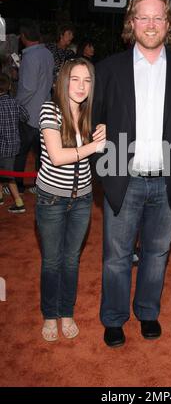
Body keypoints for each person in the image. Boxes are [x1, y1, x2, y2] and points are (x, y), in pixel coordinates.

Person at [92, 0, 171, 348]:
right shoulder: (108, 69)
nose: (150, 24)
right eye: (143, 17)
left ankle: (148, 312)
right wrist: (106, 171)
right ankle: (113, 317)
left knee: (157, 254)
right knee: (116, 256)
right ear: (131, 22)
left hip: (168, 179)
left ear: (168, 24)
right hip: (125, 178)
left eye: (158, 17)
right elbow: (95, 122)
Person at [36, 58, 105, 342]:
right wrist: (93, 145)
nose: (80, 86)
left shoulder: (91, 115)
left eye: (86, 80)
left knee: (72, 260)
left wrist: (105, 132)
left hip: (83, 200)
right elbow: (57, 157)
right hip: (51, 199)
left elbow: (101, 153)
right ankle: (50, 315)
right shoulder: (50, 111)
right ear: (63, 82)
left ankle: (67, 312)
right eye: (74, 79)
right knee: (52, 261)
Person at [14, 19, 54, 195]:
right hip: (45, 111)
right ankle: (41, 185)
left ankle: (18, 186)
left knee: (21, 153)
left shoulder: (30, 57)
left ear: (23, 37)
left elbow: (28, 87)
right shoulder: (47, 53)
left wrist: (16, 104)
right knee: (42, 154)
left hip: (28, 114)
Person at [0, 73, 29, 212]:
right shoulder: (15, 102)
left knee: (8, 175)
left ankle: (19, 203)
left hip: (2, 146)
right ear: (9, 86)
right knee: (4, 170)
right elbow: (25, 116)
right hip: (14, 144)